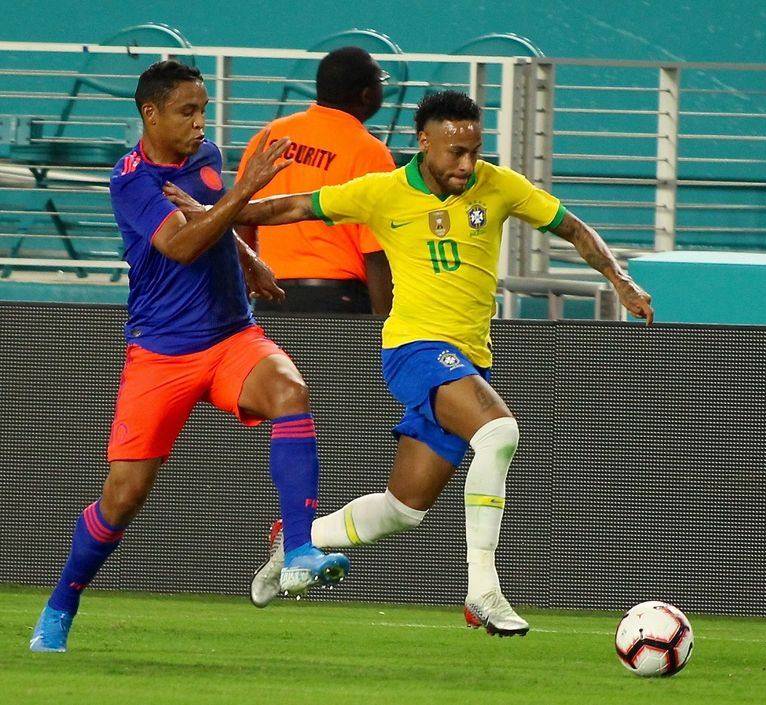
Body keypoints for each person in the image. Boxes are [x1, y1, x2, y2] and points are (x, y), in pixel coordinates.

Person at [166, 90, 654, 637]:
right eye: (455, 152)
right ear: (424, 142)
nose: (466, 164)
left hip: (469, 360)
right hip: (415, 349)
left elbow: (572, 227)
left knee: (403, 509)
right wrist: (214, 213)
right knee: (499, 433)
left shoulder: (499, 186)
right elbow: (292, 207)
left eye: (474, 151)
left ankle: (297, 540)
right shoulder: (383, 192)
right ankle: (483, 592)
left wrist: (620, 278)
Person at [29, 60, 349, 653]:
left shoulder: (206, 157)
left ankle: (299, 547)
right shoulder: (130, 181)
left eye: (203, 110)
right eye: (187, 111)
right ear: (150, 114)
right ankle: (61, 604)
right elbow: (179, 243)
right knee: (122, 498)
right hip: (162, 354)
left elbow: (208, 218)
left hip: (231, 337)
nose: (201, 123)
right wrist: (244, 192)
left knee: (291, 392)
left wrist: (248, 258)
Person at [235, 46, 395, 315]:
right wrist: (384, 324)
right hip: (339, 302)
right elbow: (376, 252)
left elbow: (241, 219)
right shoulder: (371, 153)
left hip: (271, 298)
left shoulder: (270, 135)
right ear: (367, 95)